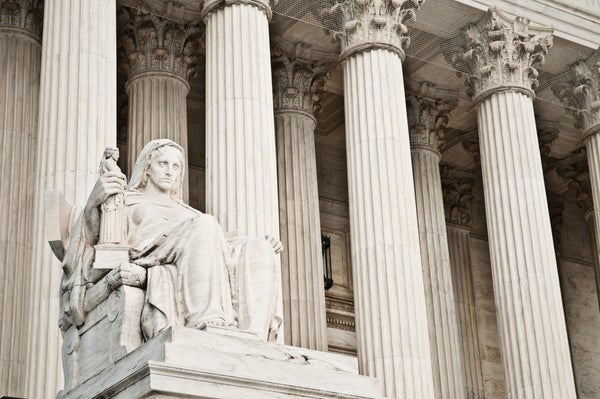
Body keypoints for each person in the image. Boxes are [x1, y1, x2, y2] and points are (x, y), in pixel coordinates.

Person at [59, 139, 282, 342]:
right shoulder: (126, 200)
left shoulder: (190, 213)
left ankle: (253, 337)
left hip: (187, 250)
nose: (170, 172)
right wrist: (93, 204)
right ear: (147, 168)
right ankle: (205, 320)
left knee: (257, 247)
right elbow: (91, 245)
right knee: (205, 224)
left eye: (176, 167)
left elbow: (219, 246)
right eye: (163, 164)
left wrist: (255, 243)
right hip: (147, 254)